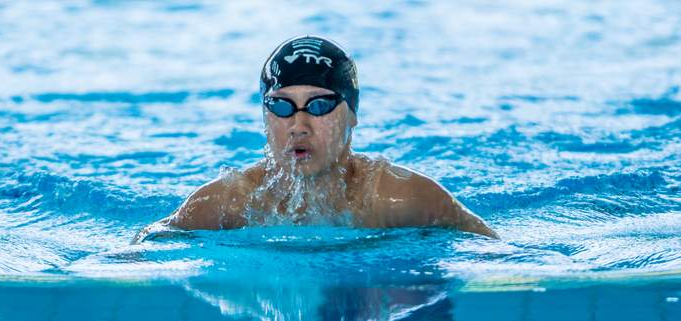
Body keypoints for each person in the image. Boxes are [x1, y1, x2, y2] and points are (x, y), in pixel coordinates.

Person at [133, 35, 497, 243]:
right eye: (281, 106)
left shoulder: (396, 197)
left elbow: (493, 249)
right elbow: (146, 243)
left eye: (320, 105)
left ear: (352, 113)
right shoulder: (232, 200)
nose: (299, 124)